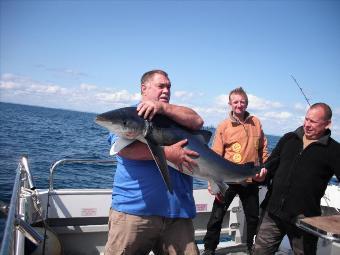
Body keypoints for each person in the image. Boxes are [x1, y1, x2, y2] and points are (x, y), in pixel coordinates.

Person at [104, 70, 204, 255]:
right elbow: (124, 149)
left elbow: (197, 121)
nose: (166, 90)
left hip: (178, 215)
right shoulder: (128, 116)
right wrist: (167, 153)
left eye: (169, 86)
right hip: (134, 213)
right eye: (161, 86)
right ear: (144, 88)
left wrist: (164, 108)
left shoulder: (176, 115)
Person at [252, 102, 340, 255]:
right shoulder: (289, 138)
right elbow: (270, 166)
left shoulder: (334, 150)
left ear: (327, 124)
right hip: (273, 211)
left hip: (304, 219)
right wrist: (261, 178)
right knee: (260, 252)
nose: (307, 124)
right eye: (306, 119)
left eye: (313, 121)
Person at [202, 87, 269, 255]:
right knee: (217, 215)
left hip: (248, 178)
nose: (239, 105)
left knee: (253, 217)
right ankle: (209, 249)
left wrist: (265, 169)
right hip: (226, 179)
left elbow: (263, 149)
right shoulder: (224, 126)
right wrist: (212, 181)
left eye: (242, 102)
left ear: (247, 103)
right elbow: (214, 156)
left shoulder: (256, 122)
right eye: (236, 102)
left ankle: (251, 248)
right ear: (230, 104)